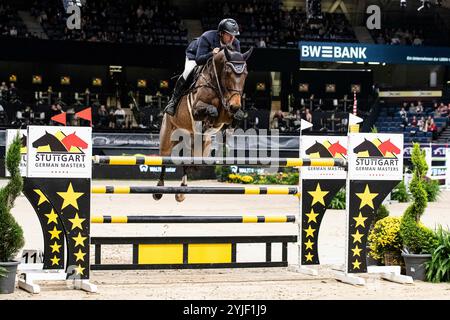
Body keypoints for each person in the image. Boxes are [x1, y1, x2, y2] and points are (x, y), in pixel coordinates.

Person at [163, 18, 241, 116]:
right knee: (188, 71)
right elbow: (199, 60)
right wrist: (211, 54)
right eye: (229, 35)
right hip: (195, 55)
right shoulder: (207, 37)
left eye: (234, 36)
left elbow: (236, 63)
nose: (232, 39)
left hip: (215, 62)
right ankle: (173, 101)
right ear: (221, 33)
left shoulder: (235, 43)